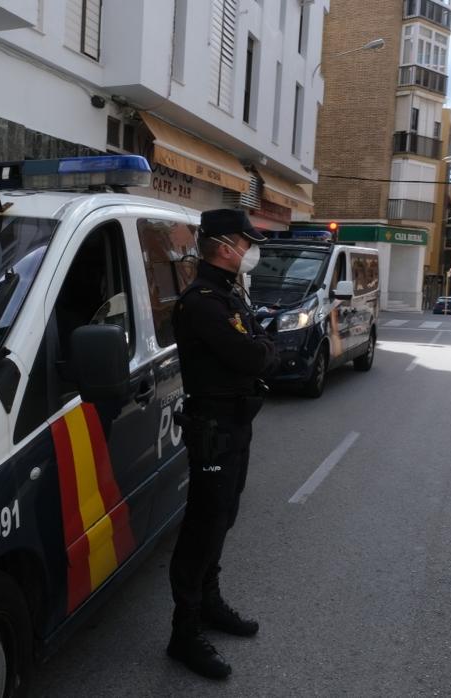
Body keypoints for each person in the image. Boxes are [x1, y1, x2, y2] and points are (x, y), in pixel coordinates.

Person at [167, 208, 278, 680]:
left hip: (235, 423)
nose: (249, 251)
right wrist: (261, 350)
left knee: (224, 517)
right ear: (224, 244)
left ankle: (209, 604)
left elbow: (255, 349)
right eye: (245, 243)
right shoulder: (204, 301)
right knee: (203, 527)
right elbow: (254, 354)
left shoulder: (229, 294)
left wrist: (259, 349)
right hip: (213, 426)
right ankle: (183, 633)